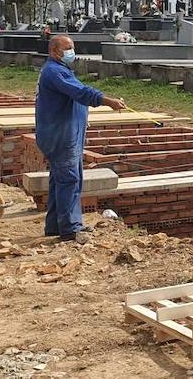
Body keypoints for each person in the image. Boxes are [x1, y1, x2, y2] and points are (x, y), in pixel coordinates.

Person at [36, 34, 126, 243]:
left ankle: (54, 226)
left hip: (64, 133)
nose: (71, 53)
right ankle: (70, 228)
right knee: (69, 179)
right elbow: (81, 92)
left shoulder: (60, 70)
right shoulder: (55, 72)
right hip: (61, 136)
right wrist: (107, 101)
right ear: (53, 51)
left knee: (60, 180)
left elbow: (76, 95)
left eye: (72, 48)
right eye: (67, 49)